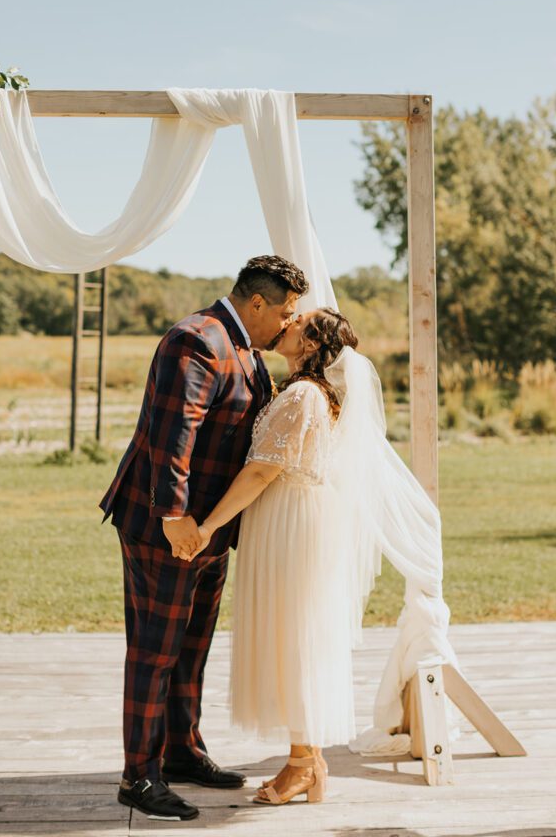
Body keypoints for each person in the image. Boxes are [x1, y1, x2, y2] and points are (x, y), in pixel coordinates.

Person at [99, 254, 308, 821]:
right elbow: (175, 433)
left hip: (210, 531)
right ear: (257, 303)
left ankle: (182, 753)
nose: (290, 324)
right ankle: (137, 777)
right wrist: (174, 518)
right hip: (167, 528)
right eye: (287, 312)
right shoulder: (197, 339)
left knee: (191, 649)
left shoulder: (245, 349)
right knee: (155, 652)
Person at [178, 307, 360, 806]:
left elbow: (261, 472)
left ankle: (304, 764)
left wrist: (206, 526)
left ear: (312, 343)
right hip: (289, 519)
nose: (291, 319)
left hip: (292, 525)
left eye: (302, 319)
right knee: (293, 635)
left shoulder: (303, 395)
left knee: (294, 636)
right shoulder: (304, 390)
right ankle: (309, 762)